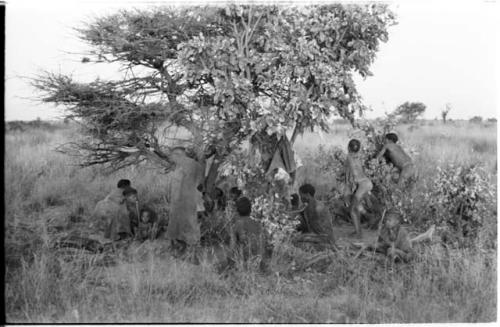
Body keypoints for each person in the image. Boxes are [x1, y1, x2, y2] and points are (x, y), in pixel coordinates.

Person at [166, 146, 205, 256]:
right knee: (188, 228)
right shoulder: (194, 165)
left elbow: (184, 185)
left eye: (172, 155)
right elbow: (200, 185)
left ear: (178, 155)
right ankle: (185, 253)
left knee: (183, 229)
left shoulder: (185, 165)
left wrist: (178, 203)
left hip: (183, 203)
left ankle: (187, 254)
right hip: (191, 203)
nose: (171, 158)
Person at [231, 197, 271, 271]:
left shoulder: (237, 224)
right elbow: (264, 245)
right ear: (250, 210)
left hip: (246, 264)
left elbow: (233, 248)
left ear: (236, 210)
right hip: (260, 263)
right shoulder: (258, 224)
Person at [344, 139, 373, 238]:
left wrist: (349, 186)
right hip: (366, 182)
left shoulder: (349, 157)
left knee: (352, 210)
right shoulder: (358, 157)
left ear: (348, 147)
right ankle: (359, 229)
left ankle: (359, 233)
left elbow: (352, 174)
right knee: (356, 207)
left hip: (362, 185)